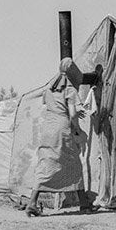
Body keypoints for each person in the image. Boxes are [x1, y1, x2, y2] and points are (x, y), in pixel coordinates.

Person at [27, 58, 88, 217]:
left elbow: (51, 106)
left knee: (46, 163)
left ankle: (32, 202)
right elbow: (72, 114)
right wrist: (77, 129)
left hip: (48, 127)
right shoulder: (69, 89)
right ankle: (84, 204)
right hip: (62, 128)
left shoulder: (49, 88)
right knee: (74, 164)